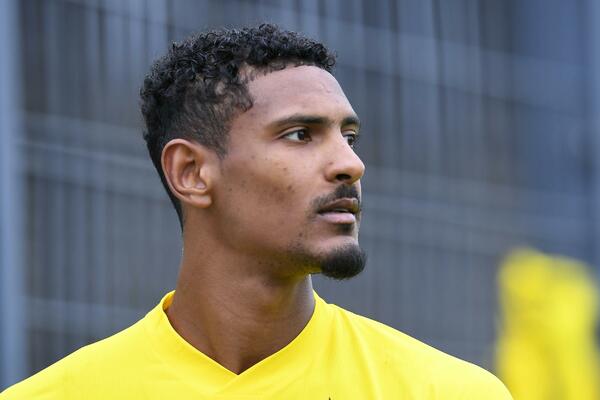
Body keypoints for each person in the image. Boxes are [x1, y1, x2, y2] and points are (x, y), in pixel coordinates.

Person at [2, 24, 512, 399]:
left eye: (349, 137)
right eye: (300, 134)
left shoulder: (448, 392)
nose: (350, 164)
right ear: (191, 172)